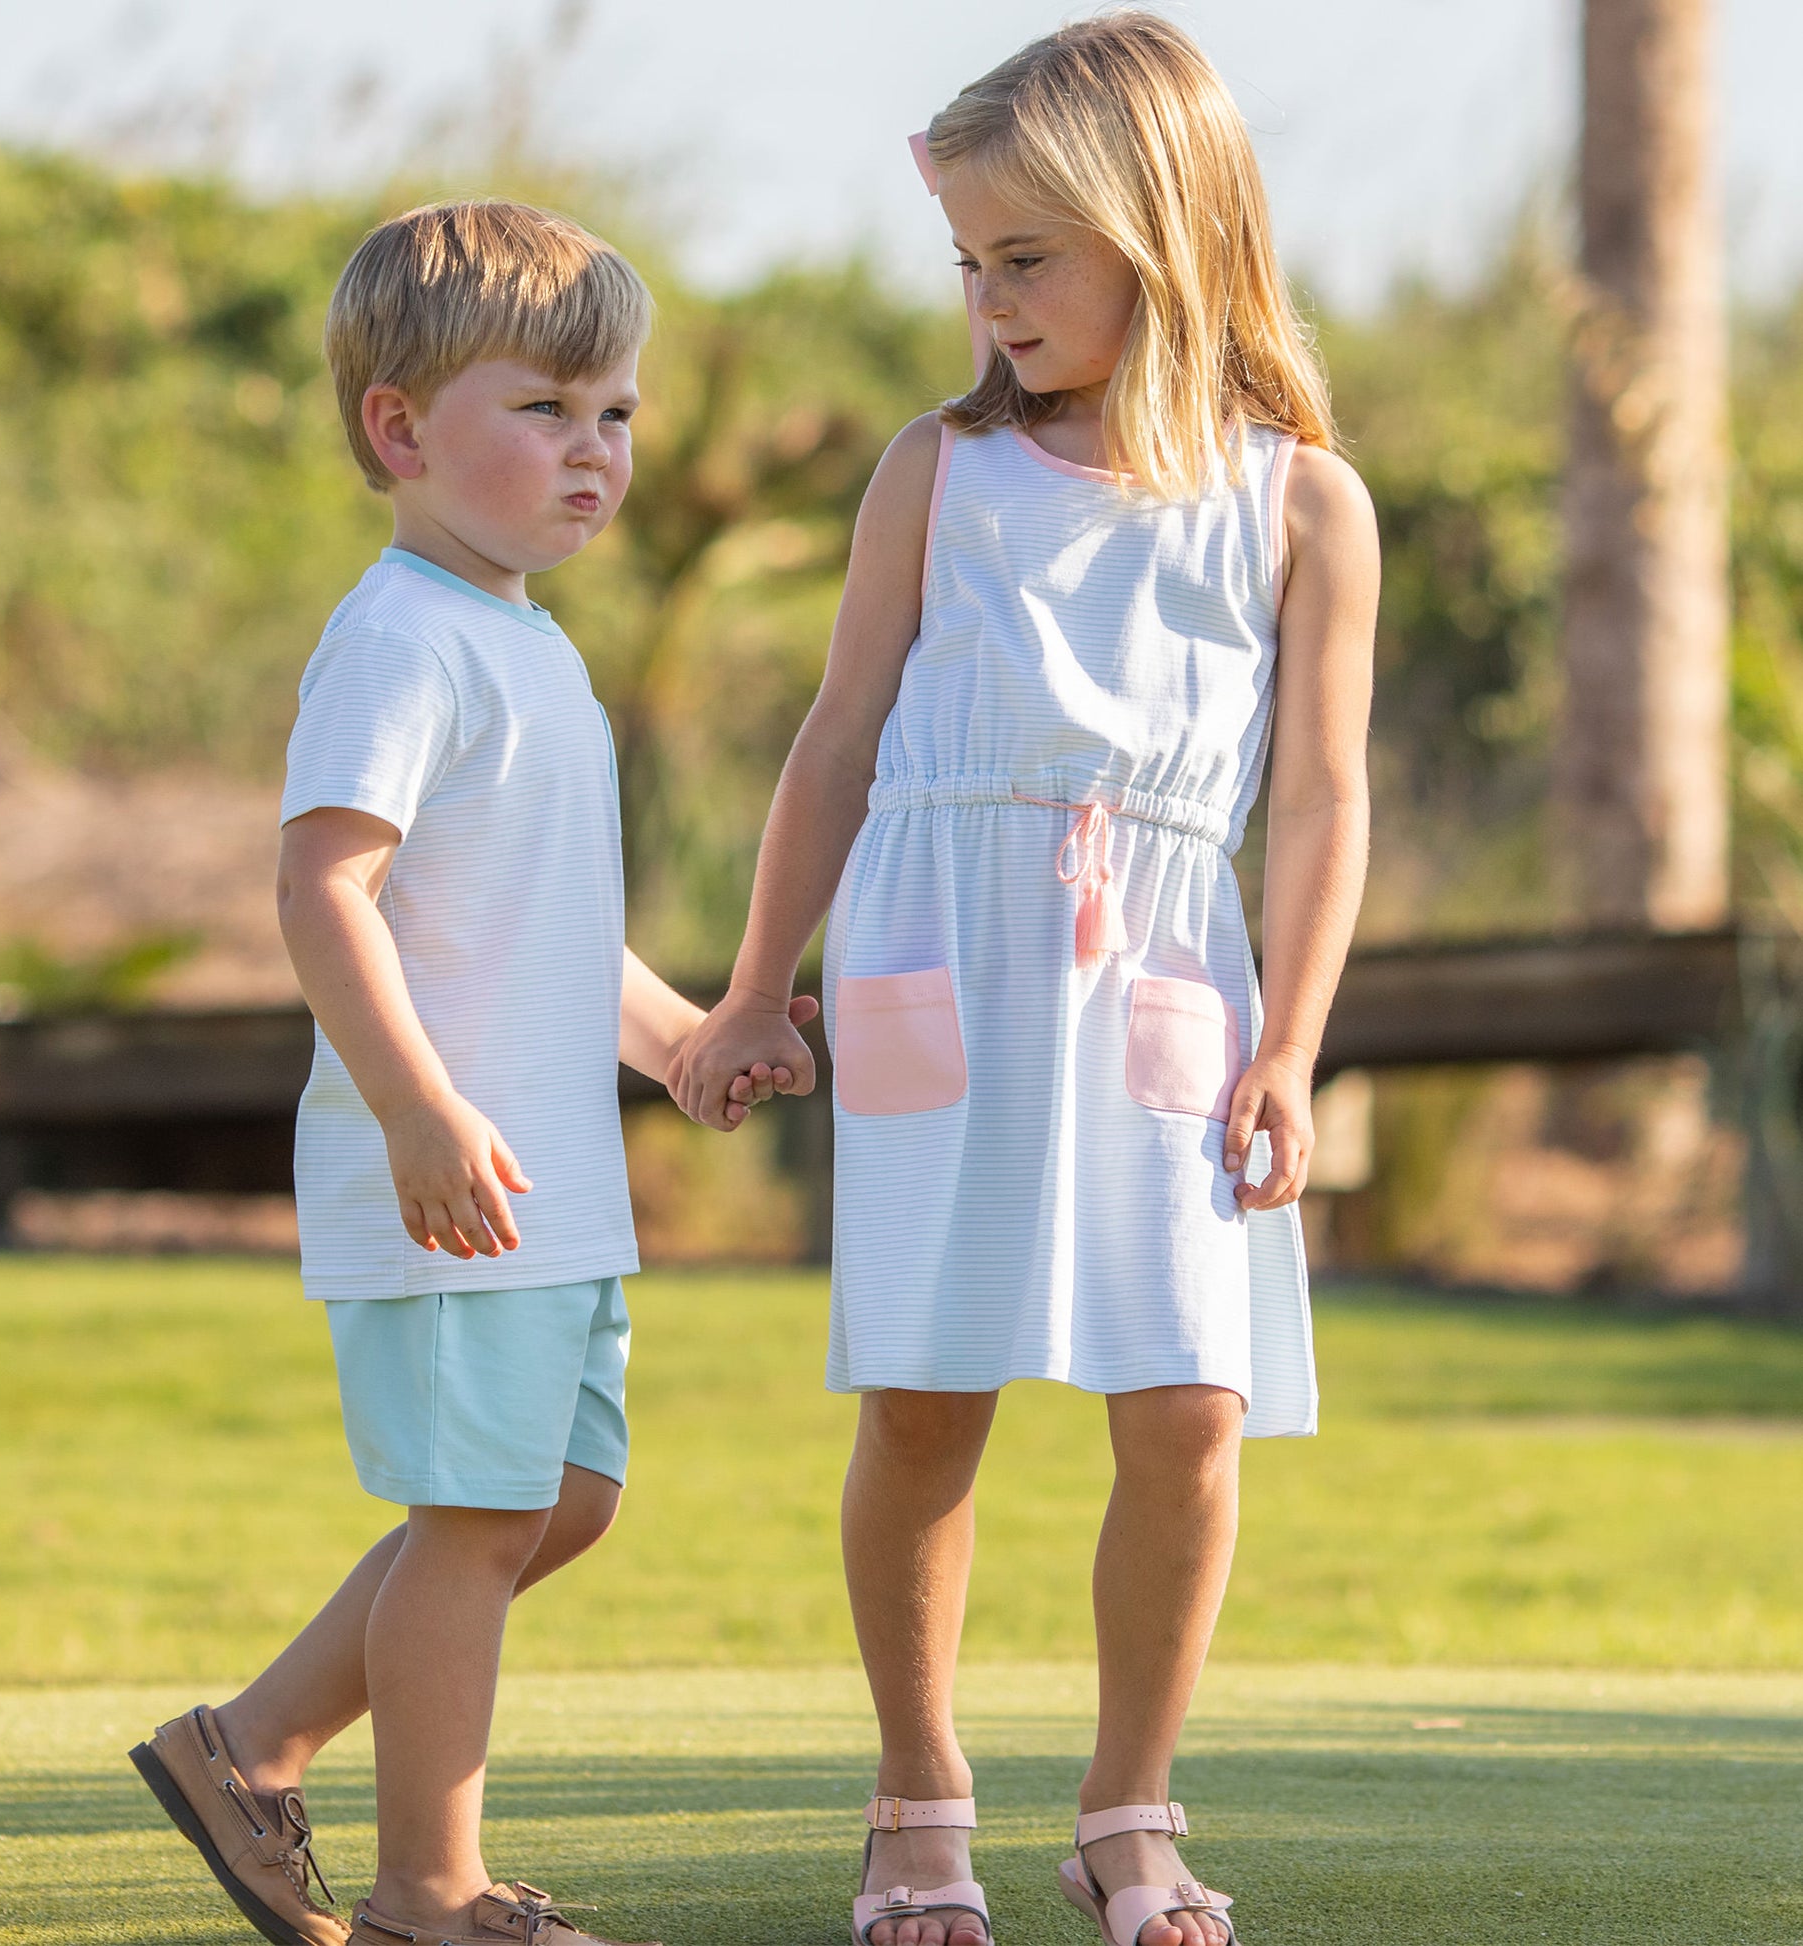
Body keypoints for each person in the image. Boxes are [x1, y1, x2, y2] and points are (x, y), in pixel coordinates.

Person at [671, 19, 1378, 1946]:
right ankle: (919, 1803)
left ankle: (1127, 1809)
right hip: (936, 970)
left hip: (1167, 983)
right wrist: (752, 991)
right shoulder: (938, 472)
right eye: (966, 266)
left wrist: (1296, 1042)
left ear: (1160, 230)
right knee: (922, 1401)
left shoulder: (1299, 499)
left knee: (1189, 1409)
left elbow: (1319, 797)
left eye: (1023, 260)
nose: (986, 305)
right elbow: (833, 743)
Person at [128, 198, 806, 1946]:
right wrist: (421, 1107)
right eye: (547, 409)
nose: (595, 453)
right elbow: (320, 884)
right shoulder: (403, 637)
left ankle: (250, 1744)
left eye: (619, 417)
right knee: (481, 1511)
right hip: (450, 1175)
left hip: (544, 1184)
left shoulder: (532, 644)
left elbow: (549, 936)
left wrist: (680, 1045)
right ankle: (435, 1893)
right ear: (398, 428)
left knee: (555, 1502)